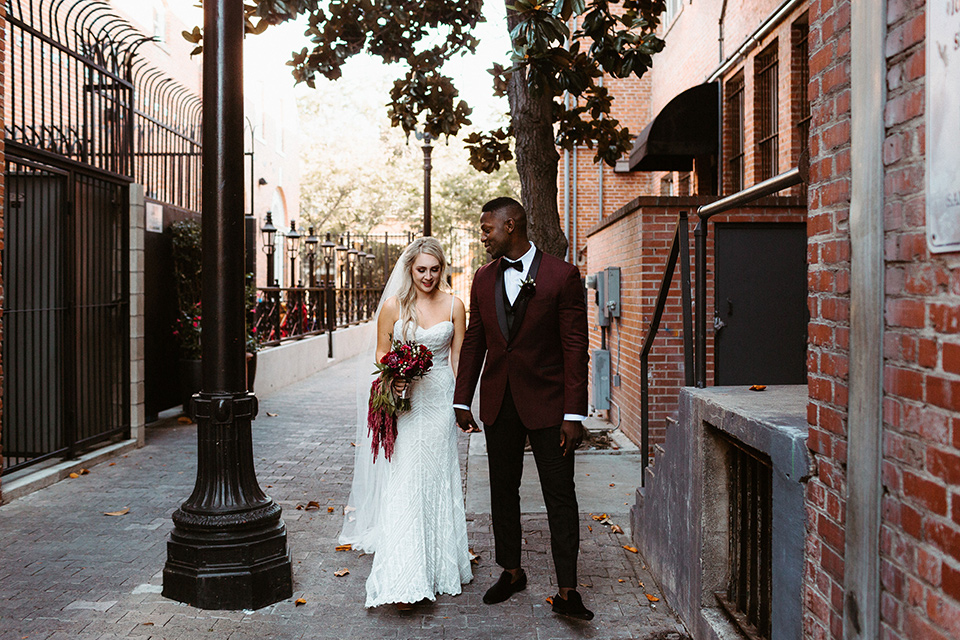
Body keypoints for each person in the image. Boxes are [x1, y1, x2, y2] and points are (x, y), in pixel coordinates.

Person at [453, 197, 594, 620]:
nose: (483, 236)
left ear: (510, 225)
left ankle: (568, 590)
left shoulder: (562, 276)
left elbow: (575, 347)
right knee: (502, 490)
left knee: (560, 495)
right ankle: (511, 571)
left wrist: (574, 413)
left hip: (551, 408)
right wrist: (463, 398)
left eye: (487, 228)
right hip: (500, 404)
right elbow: (475, 340)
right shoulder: (482, 278)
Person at [340, 237, 473, 611]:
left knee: (439, 476)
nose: (427, 277)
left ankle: (440, 566)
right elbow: (382, 351)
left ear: (442, 269)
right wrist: (395, 374)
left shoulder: (454, 305)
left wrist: (462, 405)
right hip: (407, 403)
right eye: (420, 270)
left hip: (441, 401)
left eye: (434, 270)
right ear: (409, 269)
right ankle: (405, 573)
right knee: (406, 479)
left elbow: (458, 356)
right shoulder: (392, 307)